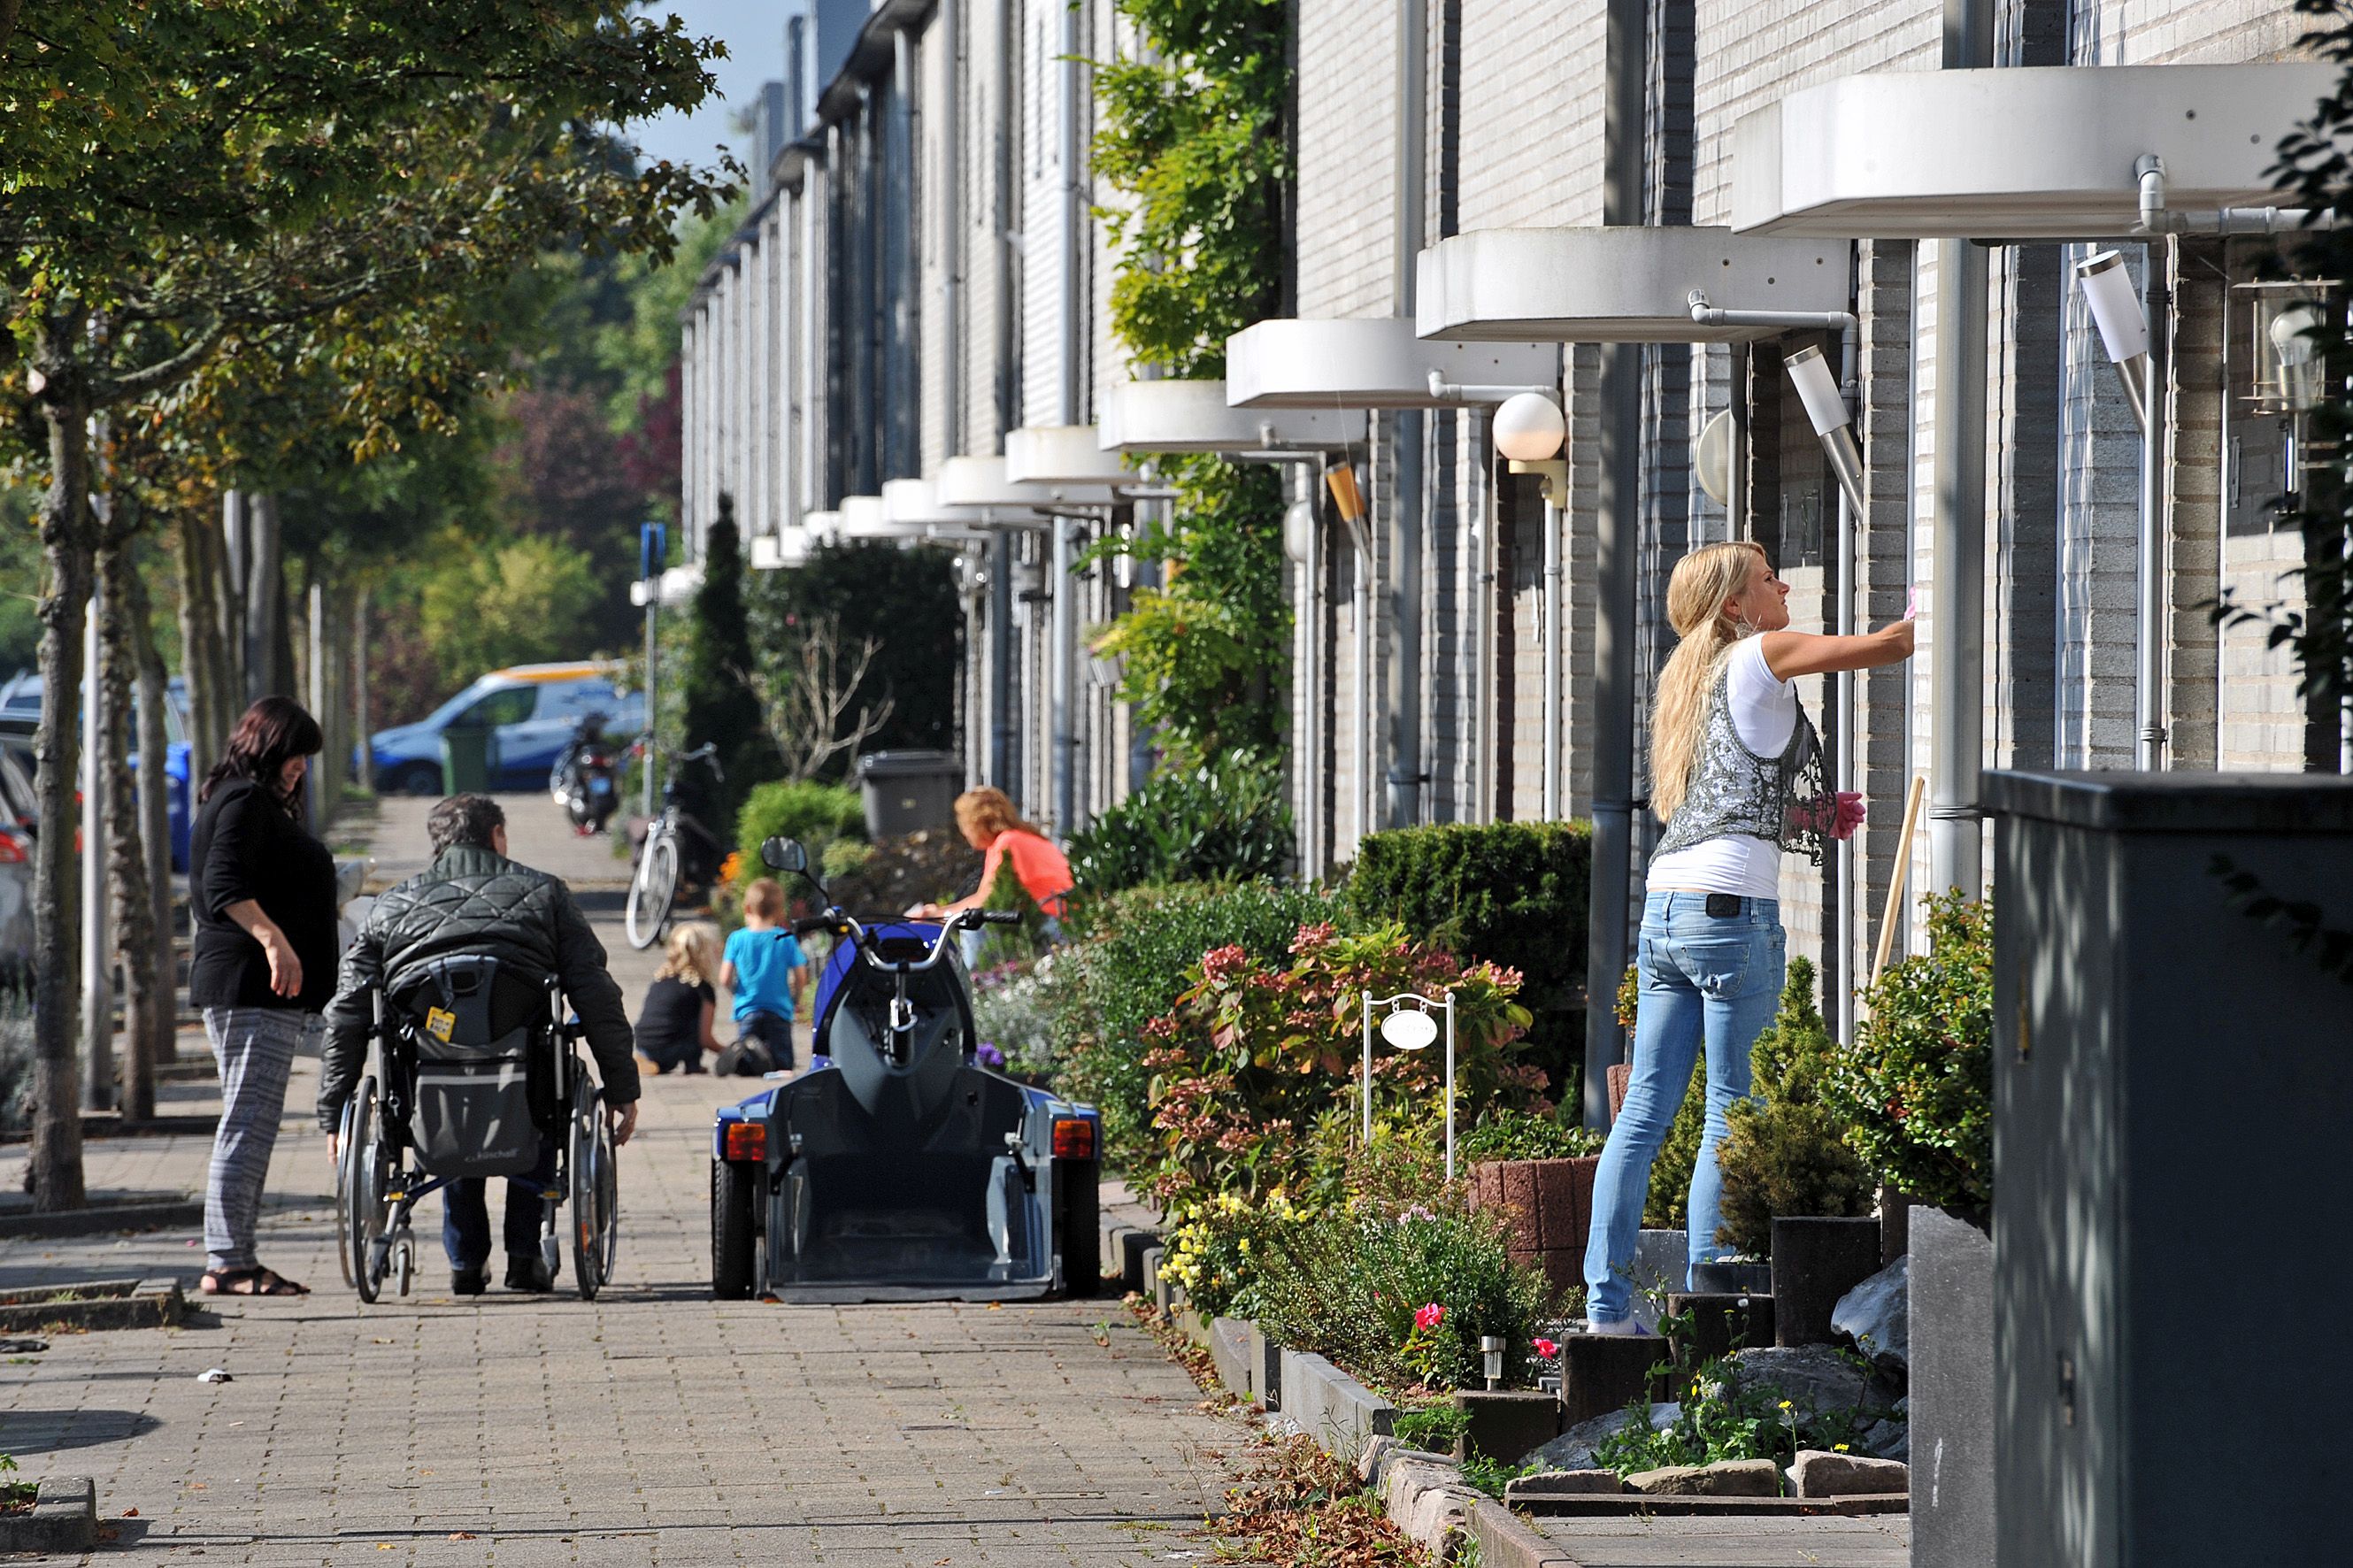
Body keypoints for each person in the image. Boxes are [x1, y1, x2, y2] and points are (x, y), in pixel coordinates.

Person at [1581, 541, 1914, 1334]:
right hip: (1731, 915)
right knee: (1731, 1109)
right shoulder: (1762, 650)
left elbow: (1725, 794)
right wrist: (1927, 601)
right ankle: (1709, 1307)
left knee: (1642, 1116)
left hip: (1665, 907)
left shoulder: (1688, 677)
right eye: (1769, 579)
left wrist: (1811, 813)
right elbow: (1888, 648)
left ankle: (1606, 1310)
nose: (1784, 584)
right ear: (1736, 604)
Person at [320, 794, 640, 1295]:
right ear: (497, 837)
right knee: (538, 1076)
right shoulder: (545, 894)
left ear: (438, 844)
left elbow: (347, 1012)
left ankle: (466, 1262)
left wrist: (333, 1111)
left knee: (447, 1078)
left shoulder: (391, 908)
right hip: (529, 1085)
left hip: (429, 1091)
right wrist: (621, 1084)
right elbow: (596, 993)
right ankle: (525, 1254)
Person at [188, 697, 338, 1297]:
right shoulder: (247, 802)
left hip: (253, 985)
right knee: (248, 1123)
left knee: (250, 1121)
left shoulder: (237, 798)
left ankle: (235, 1255)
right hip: (253, 983)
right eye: (297, 754)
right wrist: (276, 941)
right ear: (269, 748)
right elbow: (223, 885)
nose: (302, 766)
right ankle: (228, 1261)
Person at [909, 787, 1074, 933]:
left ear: (977, 822)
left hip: (1050, 923)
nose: (964, 832)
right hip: (1056, 919)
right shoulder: (1021, 838)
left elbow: (985, 903)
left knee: (973, 932)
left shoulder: (1008, 843)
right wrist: (938, 913)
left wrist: (935, 916)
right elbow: (982, 898)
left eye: (964, 824)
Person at [720, 880, 809, 1072]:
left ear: (747, 908)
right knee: (783, 1063)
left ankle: (744, 1063)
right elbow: (801, 975)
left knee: (748, 1058)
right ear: (780, 912)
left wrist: (737, 993)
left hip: (747, 1009)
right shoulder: (784, 939)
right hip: (779, 1010)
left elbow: (724, 978)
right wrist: (796, 999)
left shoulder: (737, 939)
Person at [634, 923, 723, 1076]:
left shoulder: (660, 980)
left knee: (677, 1020)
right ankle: (693, 1065)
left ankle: (651, 1061)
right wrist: (727, 1051)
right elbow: (705, 1039)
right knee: (693, 1028)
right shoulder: (702, 988)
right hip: (671, 1048)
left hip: (643, 1042)